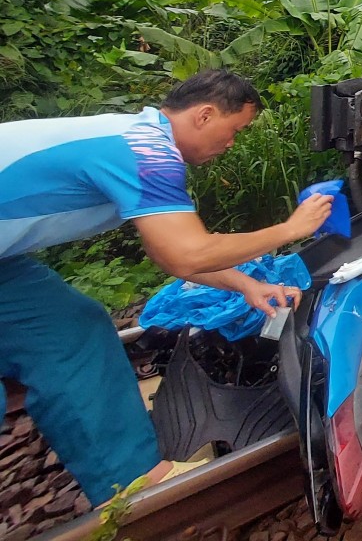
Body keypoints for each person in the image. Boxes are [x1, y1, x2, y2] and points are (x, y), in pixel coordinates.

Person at [0, 70, 333, 506]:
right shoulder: (147, 151)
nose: (231, 144)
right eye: (233, 131)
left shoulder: (136, 138)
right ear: (205, 114)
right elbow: (188, 254)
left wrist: (245, 284)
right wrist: (290, 229)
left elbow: (167, 252)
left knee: (70, 333)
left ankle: (134, 481)